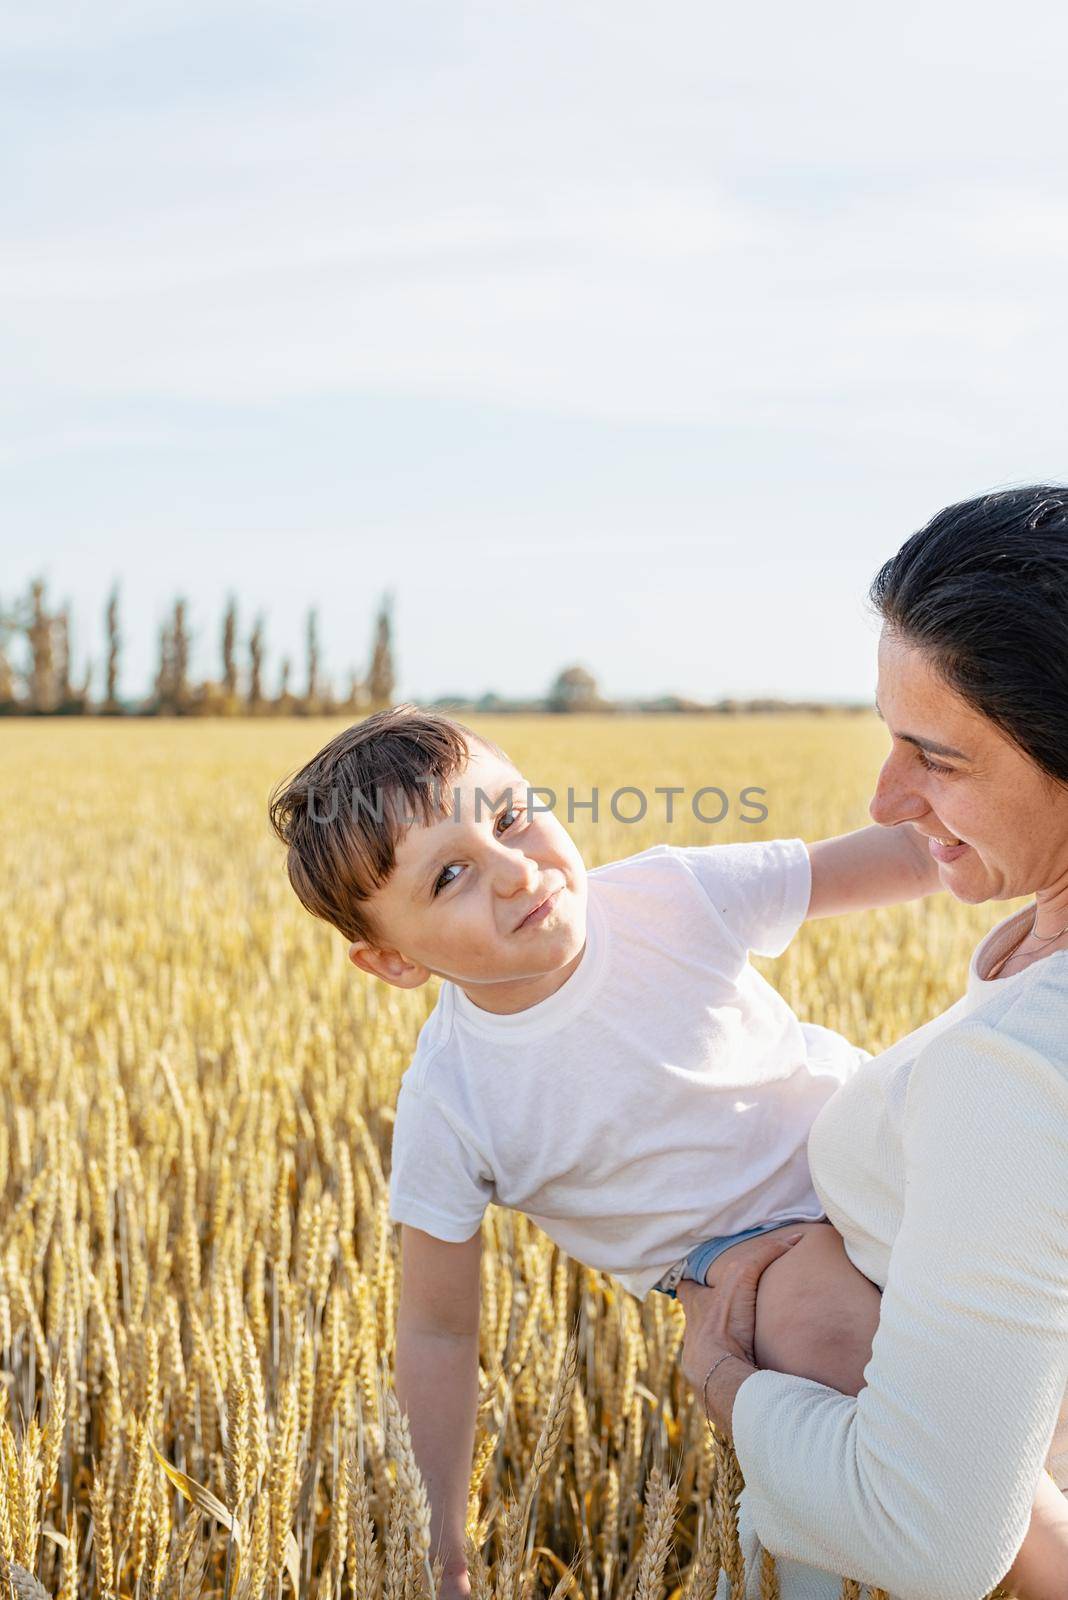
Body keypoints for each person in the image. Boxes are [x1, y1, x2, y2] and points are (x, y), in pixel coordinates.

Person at [268, 703, 945, 1596]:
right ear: (393, 961)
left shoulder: (668, 895)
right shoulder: (454, 1100)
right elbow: (438, 1329)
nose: (517, 870)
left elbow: (905, 857)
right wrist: (441, 1542)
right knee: (833, 1349)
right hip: (748, 1255)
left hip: (869, 1134)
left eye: (511, 815)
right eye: (451, 877)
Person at [677, 486, 1068, 1600]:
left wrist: (722, 1377)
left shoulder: (1025, 1064)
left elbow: (927, 1539)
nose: (886, 796)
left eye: (937, 758)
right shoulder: (1028, 968)